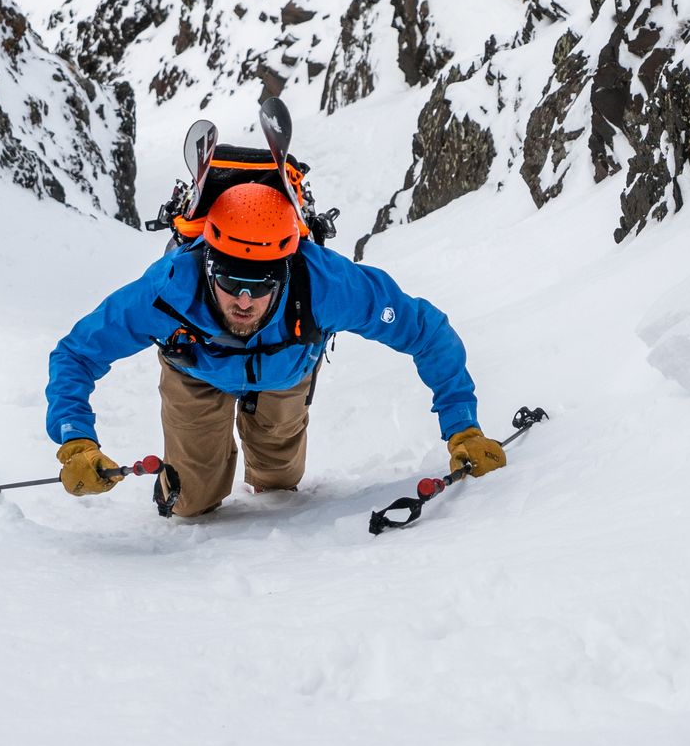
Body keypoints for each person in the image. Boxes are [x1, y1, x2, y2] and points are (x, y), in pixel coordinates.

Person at [45, 176, 502, 517]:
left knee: (281, 486)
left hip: (286, 370)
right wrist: (76, 441)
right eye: (230, 282)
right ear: (207, 268)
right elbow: (77, 353)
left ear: (286, 270)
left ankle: (259, 451)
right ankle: (188, 480)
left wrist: (462, 425)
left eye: (262, 284)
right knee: (191, 504)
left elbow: (426, 330)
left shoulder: (327, 284)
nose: (245, 301)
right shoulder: (167, 291)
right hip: (197, 371)